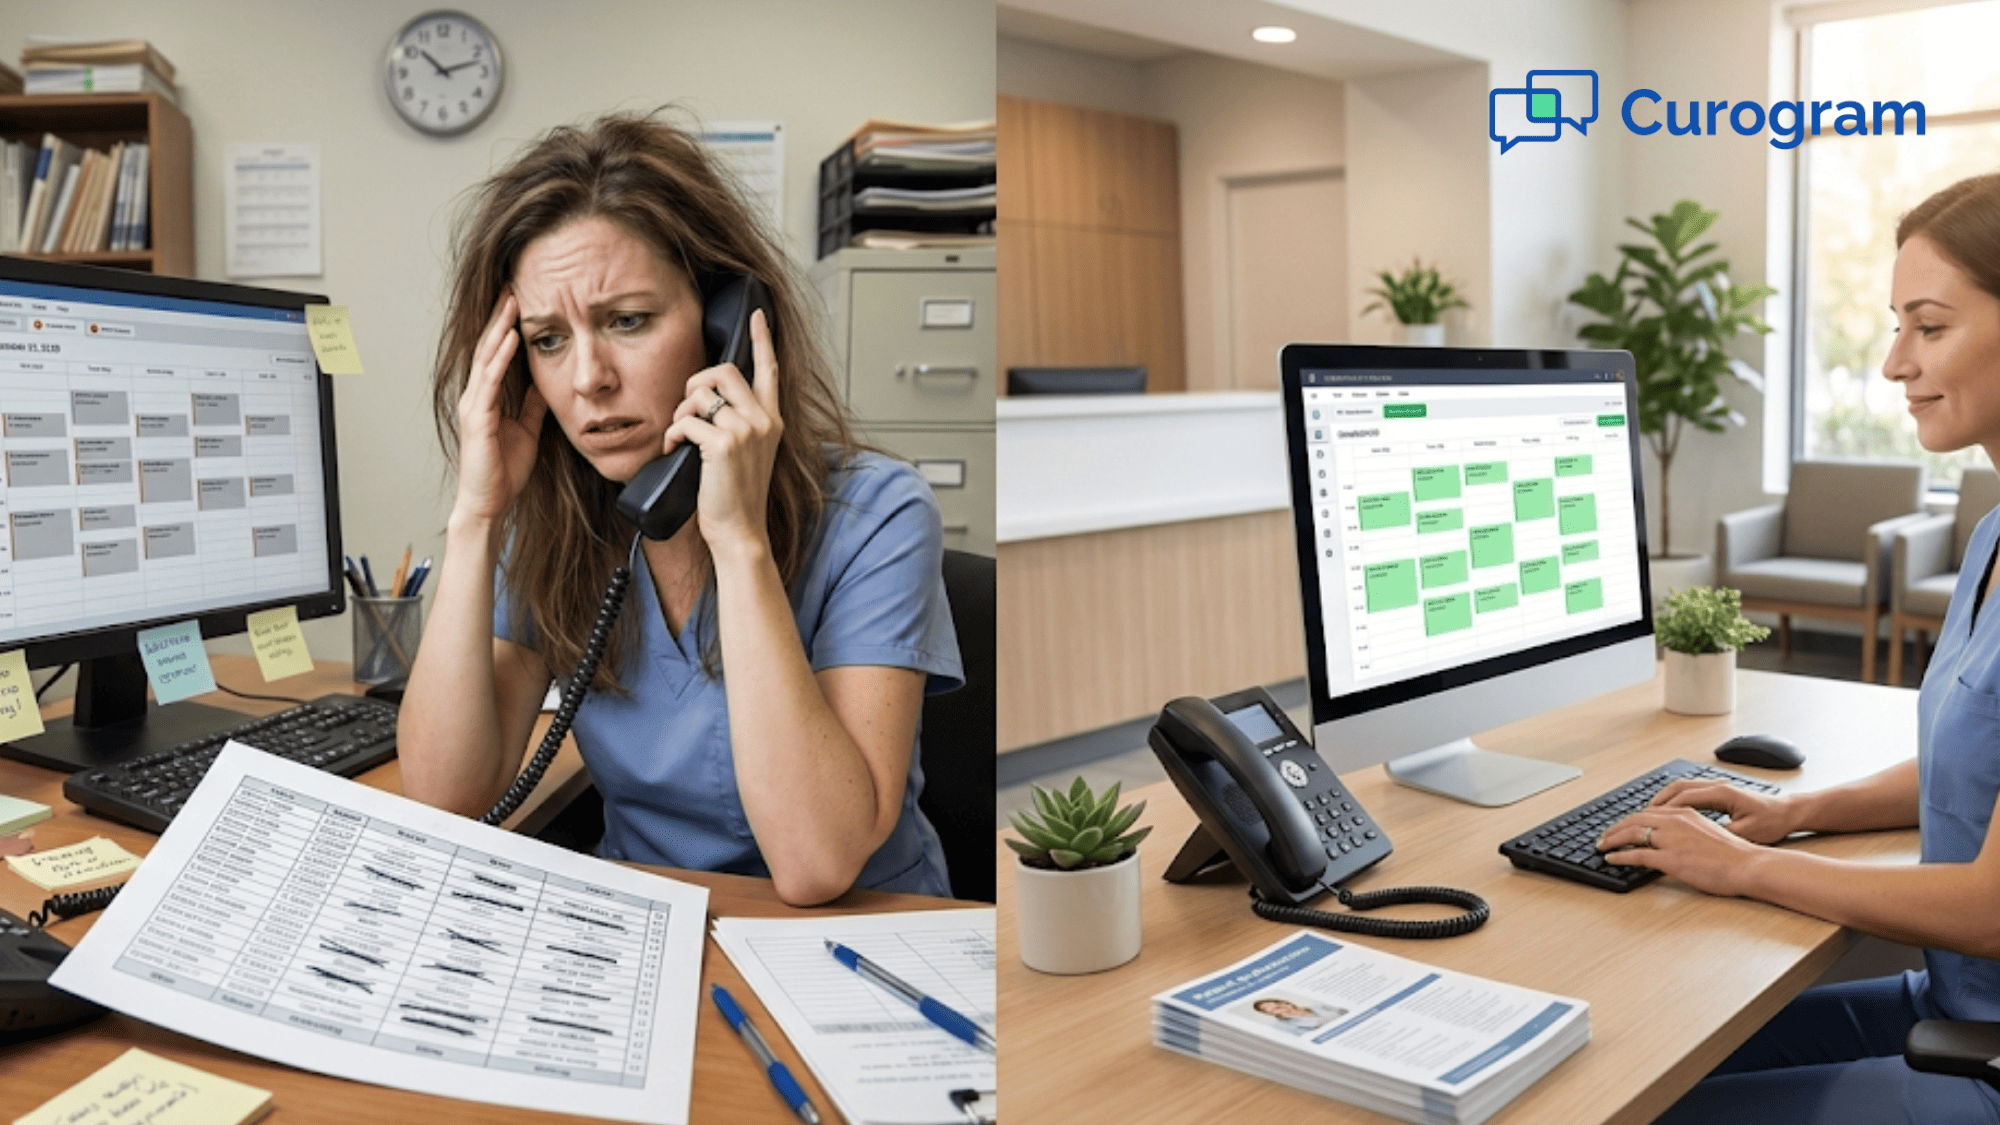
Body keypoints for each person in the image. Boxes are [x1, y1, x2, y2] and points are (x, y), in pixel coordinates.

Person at [399, 112, 962, 906]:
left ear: (727, 321)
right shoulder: (562, 522)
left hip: (853, 941)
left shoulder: (877, 514)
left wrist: (737, 542)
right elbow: (442, 798)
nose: (588, 378)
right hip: (644, 925)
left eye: (626, 320)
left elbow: (815, 862)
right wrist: (477, 516)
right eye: (549, 339)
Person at [1599, 172, 2000, 1123]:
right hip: (1952, 1004)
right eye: (1896, 325)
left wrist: (1742, 867)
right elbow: (1970, 764)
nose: (1896, 362)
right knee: (1643, 1054)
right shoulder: (1991, 536)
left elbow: (1992, 907)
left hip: (1987, 1060)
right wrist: (1794, 812)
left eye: (1930, 326)